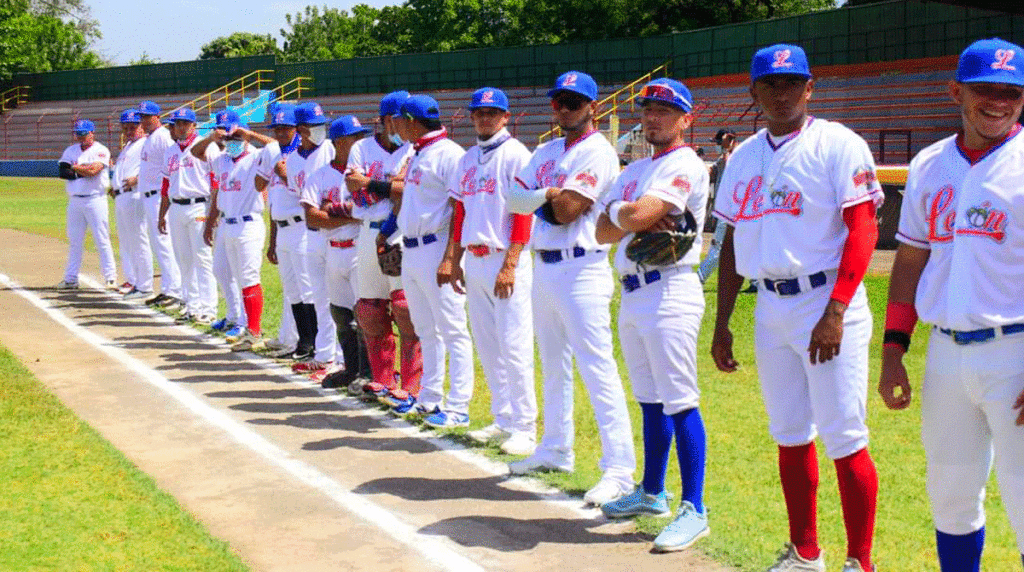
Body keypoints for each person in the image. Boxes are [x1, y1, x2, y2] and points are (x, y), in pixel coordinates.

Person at [710, 44, 883, 572]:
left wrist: (835, 310)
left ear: (811, 88)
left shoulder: (837, 143)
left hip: (828, 300)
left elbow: (864, 228)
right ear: (754, 91)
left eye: (792, 82)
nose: (781, 92)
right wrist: (721, 325)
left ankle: (860, 561)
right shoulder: (743, 157)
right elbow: (733, 243)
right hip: (770, 305)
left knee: (845, 435)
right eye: (771, 83)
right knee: (788, 432)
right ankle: (805, 553)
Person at [878, 37, 1024, 572]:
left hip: (1016, 353)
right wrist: (894, 349)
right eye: (986, 88)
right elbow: (911, 260)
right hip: (945, 354)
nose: (999, 101)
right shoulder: (929, 164)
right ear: (956, 90)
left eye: (1012, 91)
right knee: (951, 497)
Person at [507, 70, 636, 506]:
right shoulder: (545, 149)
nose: (564, 108)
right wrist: (548, 192)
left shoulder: (598, 152)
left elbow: (567, 211)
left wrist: (542, 197)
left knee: (596, 368)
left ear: (592, 107)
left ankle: (619, 468)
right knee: (553, 364)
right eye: (559, 101)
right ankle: (556, 448)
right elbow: (513, 199)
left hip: (583, 268)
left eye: (574, 102)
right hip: (544, 265)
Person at [595, 78, 710, 552]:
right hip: (635, 291)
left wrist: (627, 214)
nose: (654, 116)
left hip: (671, 290)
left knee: (680, 398)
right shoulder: (634, 169)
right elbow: (603, 231)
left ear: (686, 118)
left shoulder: (688, 163)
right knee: (649, 398)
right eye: (649, 108)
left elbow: (639, 217)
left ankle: (695, 508)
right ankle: (651, 492)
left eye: (666, 109)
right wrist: (630, 212)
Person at [438, 87, 536, 448]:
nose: (484, 118)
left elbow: (523, 211)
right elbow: (460, 212)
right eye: (478, 112)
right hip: (476, 259)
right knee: (488, 345)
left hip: (503, 258)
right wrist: (454, 257)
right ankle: (503, 417)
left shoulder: (516, 155)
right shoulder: (466, 159)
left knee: (514, 344)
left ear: (505, 117)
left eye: (492, 112)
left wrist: (510, 263)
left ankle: (525, 427)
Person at [384, 94, 471, 419]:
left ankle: (458, 406)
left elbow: (458, 210)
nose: (395, 126)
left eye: (398, 120)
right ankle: (430, 397)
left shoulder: (450, 155)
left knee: (452, 328)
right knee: (425, 328)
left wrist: (450, 258)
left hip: (438, 248)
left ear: (410, 120)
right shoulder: (419, 152)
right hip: (414, 248)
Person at [345, 91, 420, 399]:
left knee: (405, 308)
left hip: (401, 231)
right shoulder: (362, 147)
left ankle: (412, 386)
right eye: (396, 119)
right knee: (370, 309)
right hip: (368, 231)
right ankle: (384, 379)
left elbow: (405, 192)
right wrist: (390, 187)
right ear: (386, 119)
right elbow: (355, 189)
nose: (399, 125)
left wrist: (375, 184)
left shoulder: (415, 149)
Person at [196, 109, 275, 352]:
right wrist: (212, 138)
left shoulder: (255, 155)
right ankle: (239, 320)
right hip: (227, 223)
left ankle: (252, 329)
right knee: (222, 270)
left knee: (248, 277)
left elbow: (275, 147)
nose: (230, 143)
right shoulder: (222, 160)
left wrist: (248, 134)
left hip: (249, 223)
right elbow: (196, 153)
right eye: (227, 139)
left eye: (234, 138)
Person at [301, 115, 369, 388]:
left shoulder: (363, 175)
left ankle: (369, 372)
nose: (360, 142)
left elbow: (369, 211)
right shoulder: (320, 176)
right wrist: (353, 215)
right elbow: (312, 218)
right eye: (355, 137)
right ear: (340, 142)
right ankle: (350, 369)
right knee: (341, 313)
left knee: (365, 312)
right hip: (332, 251)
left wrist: (336, 213)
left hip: (358, 249)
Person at [288, 101, 338, 379]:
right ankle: (323, 354)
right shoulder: (294, 159)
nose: (318, 131)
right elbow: (301, 197)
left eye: (320, 126)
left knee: (339, 301)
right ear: (300, 129)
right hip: (309, 232)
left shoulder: (331, 150)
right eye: (312, 127)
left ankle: (341, 358)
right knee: (320, 298)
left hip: (333, 231)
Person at [158, 107, 221, 326]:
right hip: (177, 206)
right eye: (178, 124)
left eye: (186, 123)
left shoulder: (207, 146)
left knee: (202, 257)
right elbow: (166, 185)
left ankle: (208, 308)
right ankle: (191, 306)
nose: (181, 127)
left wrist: (215, 213)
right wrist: (161, 215)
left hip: (199, 206)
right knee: (183, 258)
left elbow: (216, 181)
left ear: (194, 125)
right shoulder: (170, 151)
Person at [255, 104, 304, 359]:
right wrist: (272, 242)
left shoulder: (303, 152)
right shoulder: (273, 150)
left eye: (285, 128)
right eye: (277, 128)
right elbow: (264, 190)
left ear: (296, 128)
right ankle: (288, 337)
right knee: (290, 287)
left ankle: (304, 343)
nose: (281, 133)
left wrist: (285, 175)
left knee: (306, 290)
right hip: (282, 226)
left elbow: (307, 192)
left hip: (302, 226)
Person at [55, 119, 117, 290]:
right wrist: (80, 169)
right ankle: (71, 278)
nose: (81, 137)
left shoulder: (100, 150)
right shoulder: (71, 150)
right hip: (75, 200)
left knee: (102, 238)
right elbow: (62, 171)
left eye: (84, 134)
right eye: (78, 134)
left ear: (92, 133)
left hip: (95, 199)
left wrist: (74, 167)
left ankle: (111, 277)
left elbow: (93, 171)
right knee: (75, 241)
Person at [137, 101, 183, 309]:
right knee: (158, 244)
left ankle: (174, 290)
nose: (144, 121)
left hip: (159, 196)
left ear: (157, 117)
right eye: (142, 117)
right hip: (149, 196)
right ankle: (167, 288)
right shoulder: (150, 138)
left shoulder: (163, 137)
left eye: (147, 117)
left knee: (164, 243)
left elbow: (173, 166)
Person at [110, 109, 152, 301]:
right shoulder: (128, 145)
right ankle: (132, 279)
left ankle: (144, 284)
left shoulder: (146, 143)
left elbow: (154, 166)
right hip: (121, 196)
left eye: (133, 126)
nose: (129, 130)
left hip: (134, 196)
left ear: (141, 126)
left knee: (138, 241)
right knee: (127, 241)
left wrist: (139, 178)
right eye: (125, 127)